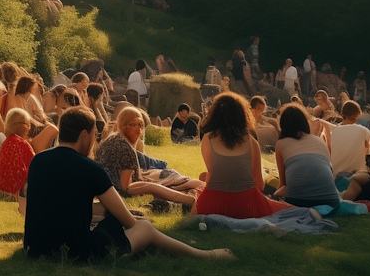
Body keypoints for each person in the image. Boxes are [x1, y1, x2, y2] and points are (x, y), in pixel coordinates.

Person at [23, 106, 231, 262]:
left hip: (36, 248)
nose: (95, 141)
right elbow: (129, 222)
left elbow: (56, 204)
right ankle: (206, 255)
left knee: (106, 215)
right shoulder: (91, 170)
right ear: (84, 134)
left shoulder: (38, 162)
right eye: (94, 135)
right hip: (78, 253)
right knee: (144, 227)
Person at [194, 91, 286, 218]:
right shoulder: (251, 141)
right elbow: (259, 185)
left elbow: (211, 175)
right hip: (247, 206)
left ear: (214, 114)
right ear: (242, 115)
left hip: (213, 204)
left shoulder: (207, 138)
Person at [97, 105, 202, 208]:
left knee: (158, 181)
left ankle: (192, 192)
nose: (139, 130)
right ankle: (188, 199)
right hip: (115, 188)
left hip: (107, 186)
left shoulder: (114, 139)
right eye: (135, 125)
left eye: (140, 125)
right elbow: (125, 186)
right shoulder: (124, 147)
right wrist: (148, 185)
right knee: (153, 186)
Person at [273, 104, 341, 208]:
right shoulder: (319, 141)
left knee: (276, 194)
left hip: (298, 202)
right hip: (331, 201)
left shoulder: (280, 144)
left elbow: (283, 184)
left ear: (283, 125)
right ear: (304, 122)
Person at [329, 101, 370, 182]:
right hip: (356, 176)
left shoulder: (333, 132)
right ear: (357, 115)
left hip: (335, 177)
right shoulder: (362, 130)